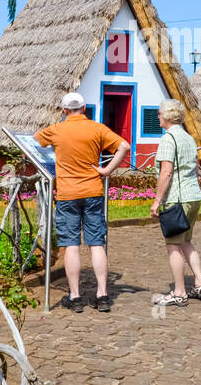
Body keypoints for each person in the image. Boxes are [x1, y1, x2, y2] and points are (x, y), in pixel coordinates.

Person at [36, 92, 130, 313]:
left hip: (68, 194)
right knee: (96, 243)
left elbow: (35, 141)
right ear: (85, 108)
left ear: (64, 111)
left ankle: (76, 296)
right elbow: (124, 146)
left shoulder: (56, 130)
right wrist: (107, 170)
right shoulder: (97, 129)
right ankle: (102, 294)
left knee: (71, 245)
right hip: (93, 191)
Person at [149, 99, 201, 307]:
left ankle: (179, 292)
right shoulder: (188, 138)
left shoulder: (168, 139)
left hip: (177, 197)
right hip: (193, 195)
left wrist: (157, 201)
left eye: (159, 114)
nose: (157, 117)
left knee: (173, 245)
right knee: (186, 241)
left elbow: (166, 172)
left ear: (165, 117)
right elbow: (195, 169)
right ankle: (199, 282)